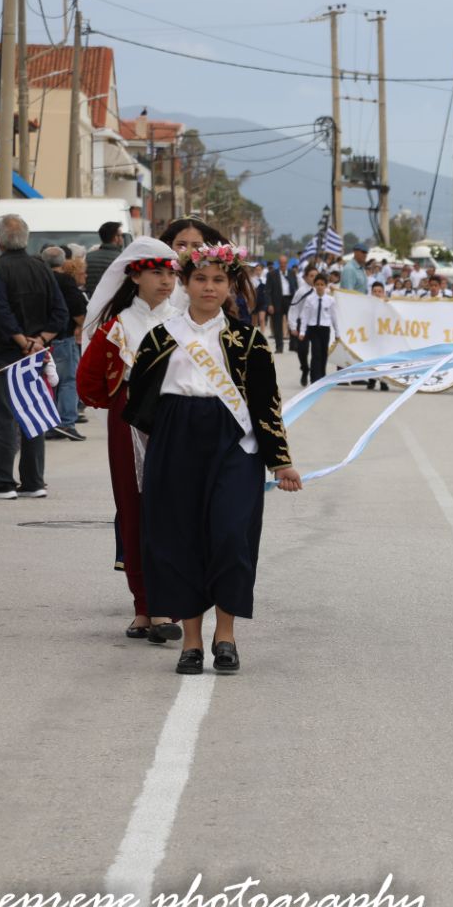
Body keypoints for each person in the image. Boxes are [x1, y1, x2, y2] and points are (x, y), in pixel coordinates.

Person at [124, 242, 300, 674]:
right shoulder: (160, 337)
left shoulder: (250, 340)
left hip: (233, 443)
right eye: (200, 278)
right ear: (184, 283)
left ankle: (226, 635)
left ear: (230, 285)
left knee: (231, 534)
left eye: (219, 280)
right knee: (180, 538)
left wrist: (280, 460)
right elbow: (139, 399)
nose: (209, 287)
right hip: (176, 438)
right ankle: (191, 642)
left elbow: (266, 404)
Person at [76, 238, 186, 642]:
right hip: (130, 424)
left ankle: (164, 604)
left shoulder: (187, 321)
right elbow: (88, 382)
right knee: (134, 507)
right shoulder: (117, 326)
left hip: (180, 419)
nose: (166, 281)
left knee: (175, 510)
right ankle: (145, 605)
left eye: (171, 274)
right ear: (135, 276)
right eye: (156, 273)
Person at [0, 215, 68, 501]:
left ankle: (3, 481)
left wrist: (22, 341)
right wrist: (39, 341)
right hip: (36, 354)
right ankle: (33, 480)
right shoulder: (42, 267)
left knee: (3, 417)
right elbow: (60, 312)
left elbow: (0, 311)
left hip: (5, 353)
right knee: (32, 414)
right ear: (26, 238)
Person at [42, 246, 88, 441]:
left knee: (48, 381)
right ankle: (66, 422)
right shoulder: (66, 281)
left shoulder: (39, 279)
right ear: (63, 262)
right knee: (68, 380)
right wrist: (81, 325)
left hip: (40, 339)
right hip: (63, 336)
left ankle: (49, 421)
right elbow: (78, 310)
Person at [292, 273, 337, 384]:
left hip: (325, 329)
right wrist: (302, 331)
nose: (319, 287)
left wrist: (337, 332)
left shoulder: (330, 300)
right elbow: (305, 316)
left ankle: (322, 374)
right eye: (317, 284)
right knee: (316, 352)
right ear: (314, 285)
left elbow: (334, 317)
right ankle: (314, 378)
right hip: (313, 329)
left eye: (322, 284)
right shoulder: (310, 299)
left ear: (325, 286)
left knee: (323, 353)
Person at [83, 222, 125, 289]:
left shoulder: (88, 257)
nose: (122, 238)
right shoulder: (122, 259)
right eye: (121, 235)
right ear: (116, 238)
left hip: (90, 295)